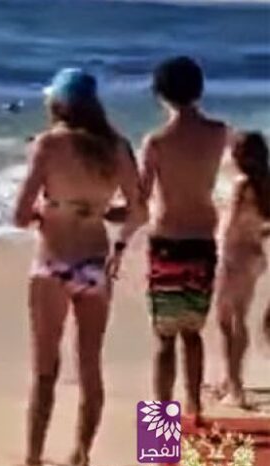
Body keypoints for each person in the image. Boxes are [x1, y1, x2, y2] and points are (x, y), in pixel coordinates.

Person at [14, 68, 147, 466]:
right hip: (93, 261)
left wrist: (47, 212)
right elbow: (138, 211)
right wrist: (105, 215)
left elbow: (19, 215)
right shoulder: (117, 147)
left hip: (52, 260)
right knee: (90, 365)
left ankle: (34, 457)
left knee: (45, 368)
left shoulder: (48, 145)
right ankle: (82, 455)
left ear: (58, 103)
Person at [140, 56, 229, 423]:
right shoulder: (219, 132)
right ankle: (195, 409)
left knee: (164, 339)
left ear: (160, 94)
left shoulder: (157, 141)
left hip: (167, 240)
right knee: (193, 333)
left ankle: (162, 424)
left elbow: (141, 197)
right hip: (203, 240)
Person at [214, 132, 270, 407]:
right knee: (239, 317)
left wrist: (216, 251)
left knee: (225, 320)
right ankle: (232, 378)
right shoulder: (265, 185)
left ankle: (235, 386)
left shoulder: (241, 185)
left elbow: (228, 226)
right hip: (254, 255)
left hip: (233, 256)